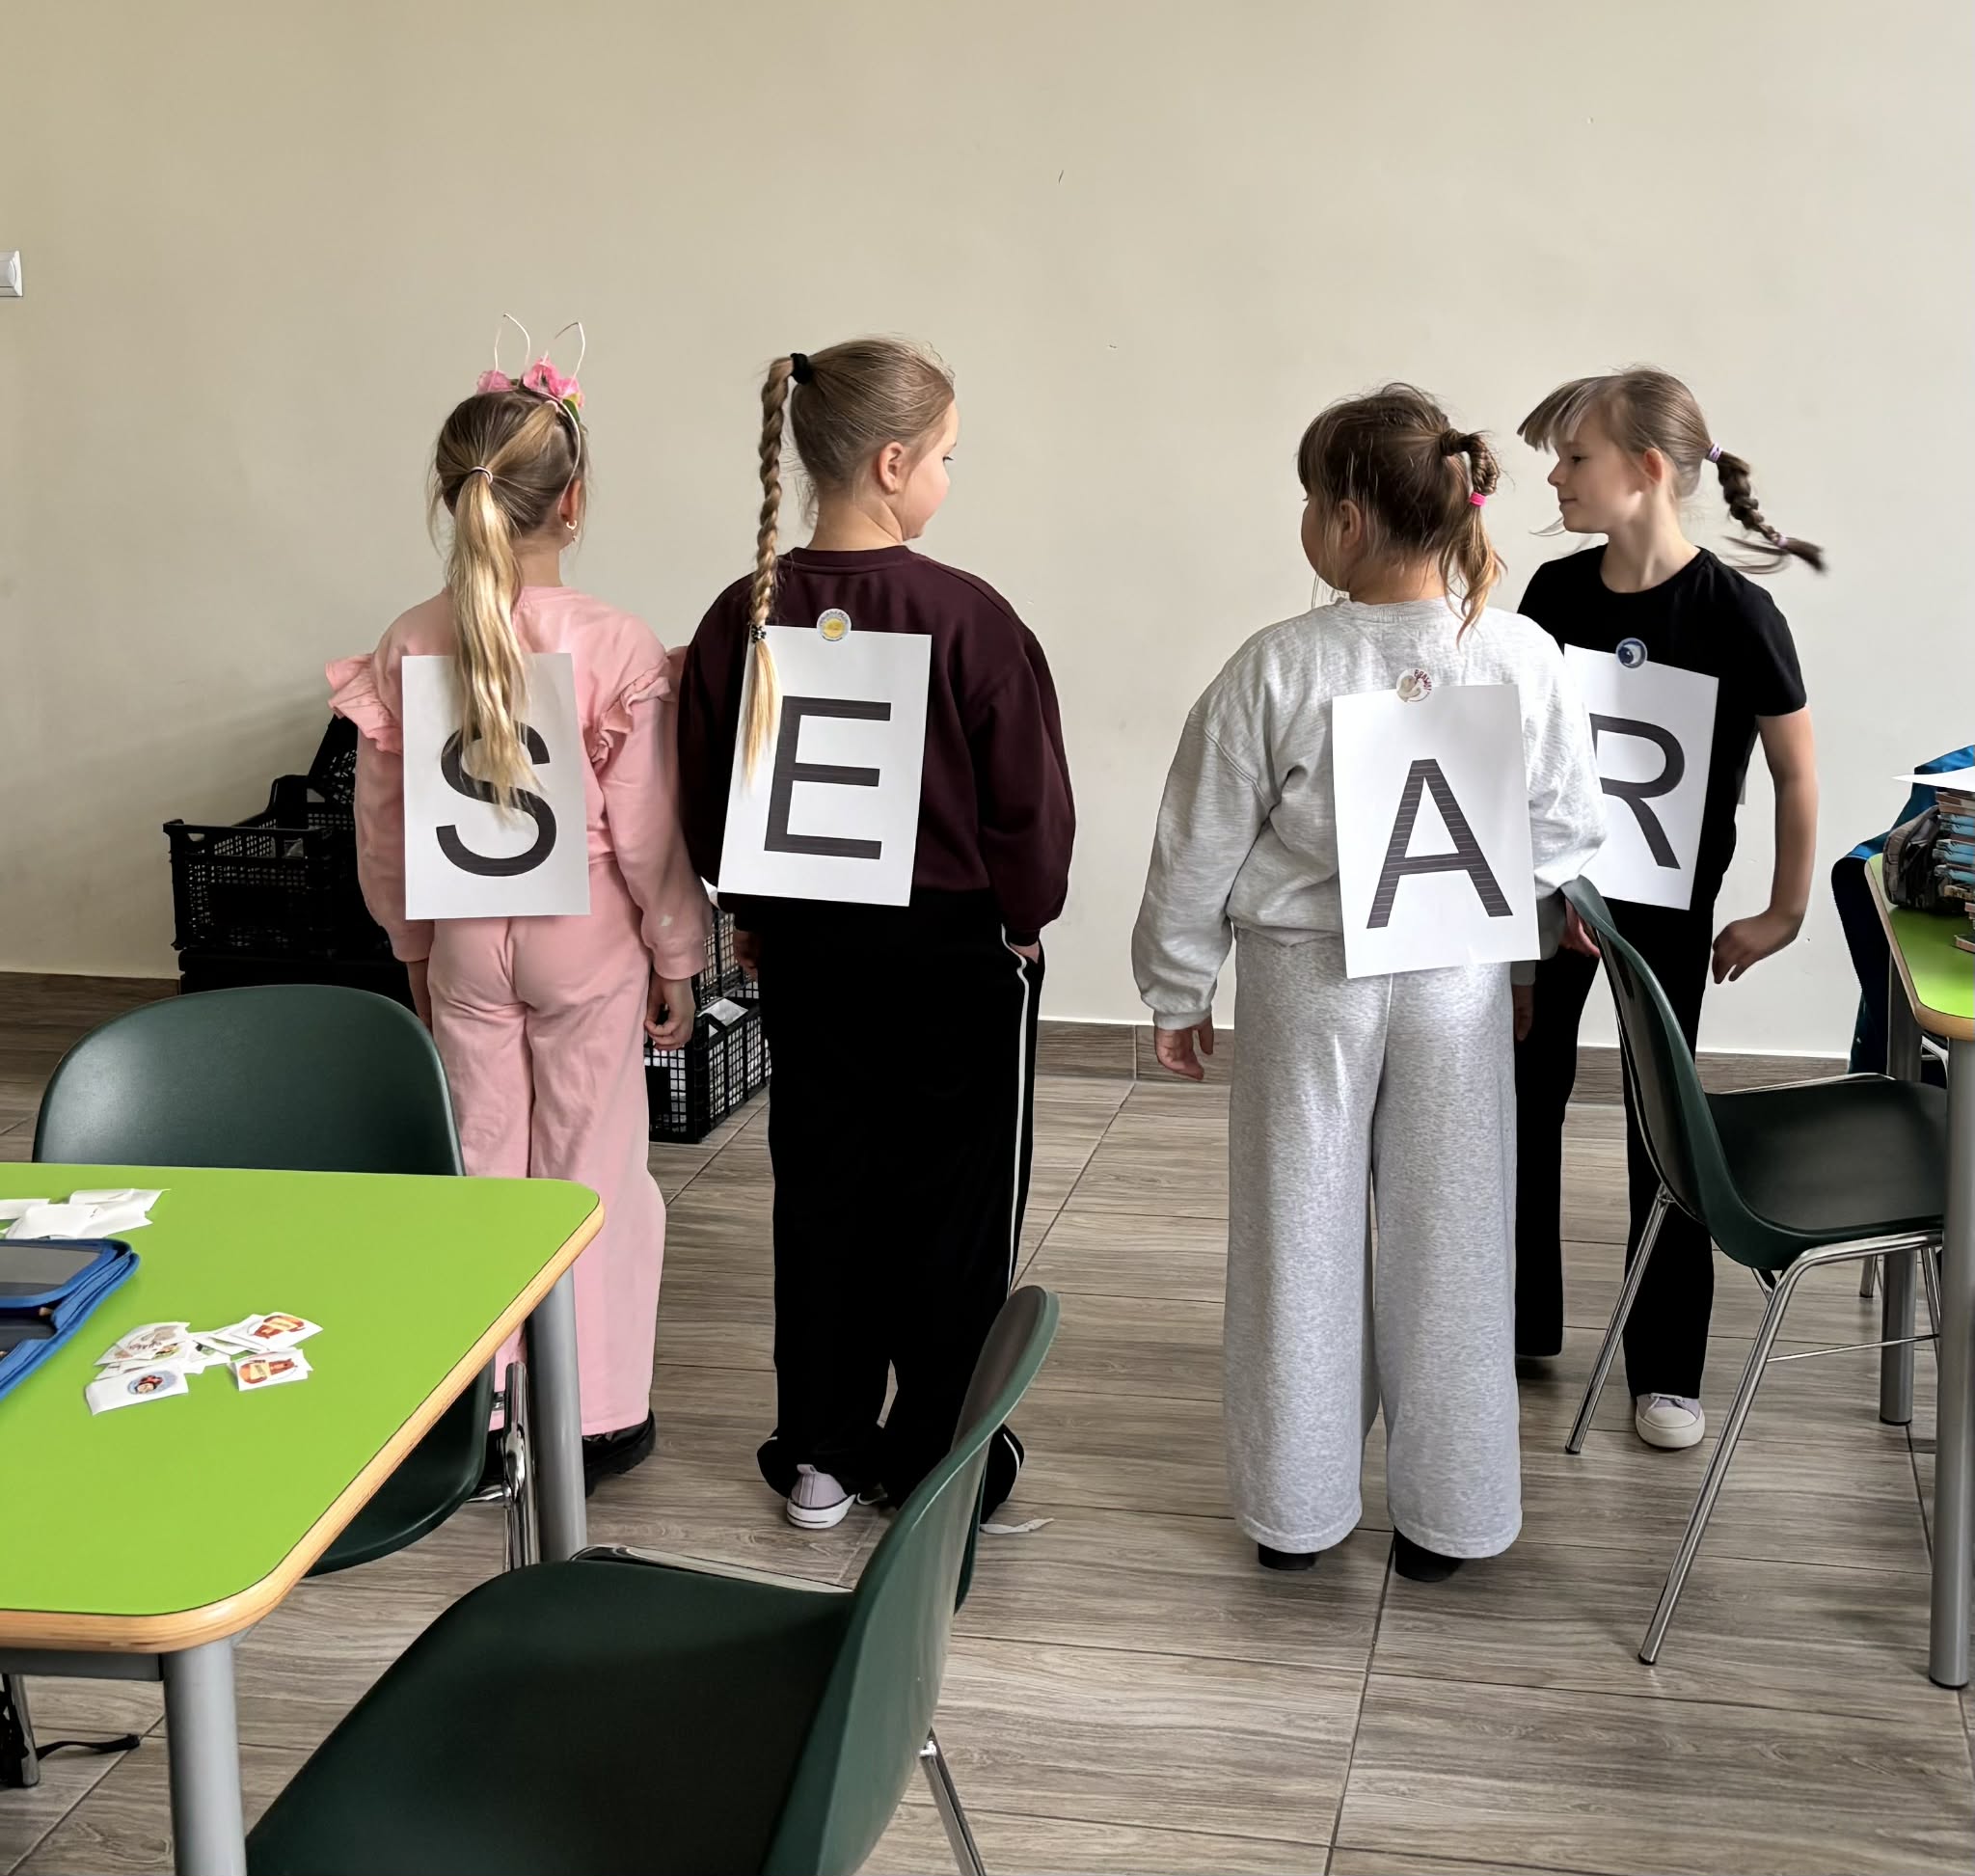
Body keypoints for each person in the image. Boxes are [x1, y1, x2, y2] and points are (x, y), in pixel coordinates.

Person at [1132, 386, 1605, 1581]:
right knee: (1457, 1242)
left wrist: (1176, 987)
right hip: (1456, 982)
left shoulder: (1275, 664)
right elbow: (1564, 826)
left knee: (1295, 1238)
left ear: (1344, 520)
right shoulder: (1520, 653)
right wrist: (1511, 922)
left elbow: (1197, 842)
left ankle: (1293, 1511)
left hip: (1308, 985)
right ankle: (1452, 1515)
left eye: (1307, 501)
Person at [676, 339, 1074, 1531]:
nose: (949, 477)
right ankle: (945, 1459)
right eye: (946, 456)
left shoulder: (740, 613)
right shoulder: (969, 616)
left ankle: (821, 1452)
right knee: (954, 1210)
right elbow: (1028, 807)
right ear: (893, 464)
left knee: (823, 1192)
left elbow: (708, 799)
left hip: (808, 956)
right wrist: (1024, 920)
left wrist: (752, 914)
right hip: (951, 956)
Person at [329, 333, 709, 1488]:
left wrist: (409, 943)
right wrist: (676, 952)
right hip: (582, 940)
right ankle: (594, 1417)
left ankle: (485, 1415)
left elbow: (384, 823)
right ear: (572, 503)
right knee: (593, 1171)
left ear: (455, 499)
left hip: (463, 943)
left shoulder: (412, 637)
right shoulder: (614, 642)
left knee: (480, 1169)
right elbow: (645, 833)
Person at [1513, 367, 1822, 1451]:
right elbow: (1520, 757)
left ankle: (1667, 1370)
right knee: (1524, 1091)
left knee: (1663, 1129)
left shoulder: (1736, 612)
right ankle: (1518, 1321)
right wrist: (1535, 897)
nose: (1554, 477)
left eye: (1573, 456)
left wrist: (1783, 912)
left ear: (1645, 470)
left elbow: (1794, 771)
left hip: (1671, 916)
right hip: (1555, 903)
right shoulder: (1552, 596)